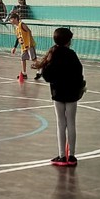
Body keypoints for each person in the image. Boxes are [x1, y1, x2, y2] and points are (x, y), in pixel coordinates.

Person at [34, 28, 86, 166]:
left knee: (61, 124)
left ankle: (62, 156)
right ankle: (72, 156)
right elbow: (79, 73)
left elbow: (47, 75)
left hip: (58, 93)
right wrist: (79, 86)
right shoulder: (72, 54)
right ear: (68, 41)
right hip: (72, 93)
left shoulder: (53, 54)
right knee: (71, 123)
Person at [9, 12, 37, 81]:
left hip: (29, 45)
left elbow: (29, 31)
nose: (10, 21)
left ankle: (41, 69)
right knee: (23, 58)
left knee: (33, 59)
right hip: (23, 46)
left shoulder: (22, 24)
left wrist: (29, 42)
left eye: (11, 19)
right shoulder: (16, 28)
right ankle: (24, 73)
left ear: (16, 19)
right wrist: (14, 47)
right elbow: (18, 38)